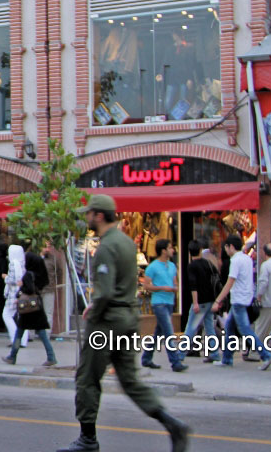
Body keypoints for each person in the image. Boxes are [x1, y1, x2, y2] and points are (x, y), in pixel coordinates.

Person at [58, 194, 189, 452]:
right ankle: (171, 423)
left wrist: (94, 313)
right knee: (130, 381)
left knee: (87, 377)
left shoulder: (106, 246)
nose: (87, 218)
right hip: (128, 318)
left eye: (89, 214)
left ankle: (87, 438)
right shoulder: (128, 243)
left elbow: (105, 291)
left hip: (108, 322)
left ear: (98, 215)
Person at [211, 234, 271, 369]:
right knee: (229, 327)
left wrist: (218, 300)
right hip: (245, 298)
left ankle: (266, 355)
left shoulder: (235, 260)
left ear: (231, 247)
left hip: (238, 300)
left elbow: (230, 281)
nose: (225, 250)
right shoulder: (247, 259)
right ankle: (227, 359)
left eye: (226, 247)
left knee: (245, 330)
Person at [3, 245, 56, 367]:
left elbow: (28, 289)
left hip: (28, 309)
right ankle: (51, 356)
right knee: (41, 334)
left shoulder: (28, 275)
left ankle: (12, 356)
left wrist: (19, 294)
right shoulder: (38, 275)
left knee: (19, 333)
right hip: (36, 308)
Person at [140, 239, 187, 372]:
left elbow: (174, 281)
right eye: (170, 248)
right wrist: (162, 288)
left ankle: (146, 357)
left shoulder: (172, 266)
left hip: (170, 302)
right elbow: (147, 285)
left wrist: (175, 287)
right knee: (168, 331)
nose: (173, 250)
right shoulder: (153, 267)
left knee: (159, 333)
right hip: (159, 302)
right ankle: (175, 362)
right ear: (163, 251)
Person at [183, 239, 219, 363]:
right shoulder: (207, 263)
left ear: (190, 253)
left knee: (191, 327)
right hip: (210, 300)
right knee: (209, 327)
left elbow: (193, 285)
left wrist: (195, 302)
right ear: (200, 250)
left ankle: (180, 353)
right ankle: (214, 353)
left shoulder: (192, 266)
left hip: (201, 301)